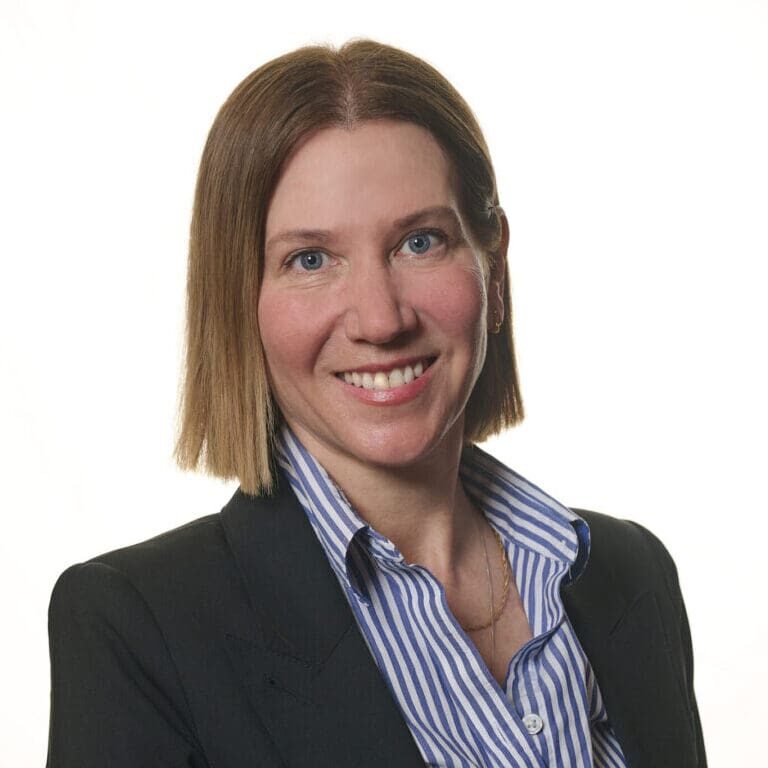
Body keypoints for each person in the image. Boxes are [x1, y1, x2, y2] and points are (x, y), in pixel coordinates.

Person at [46, 39, 706, 768]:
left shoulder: (629, 573)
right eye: (310, 260)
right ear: (239, 303)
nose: (380, 318)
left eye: (420, 242)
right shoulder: (138, 628)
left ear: (495, 267)